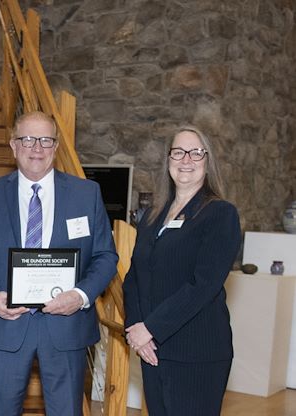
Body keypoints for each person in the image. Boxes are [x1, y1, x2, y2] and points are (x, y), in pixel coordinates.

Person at [0, 111, 118, 416]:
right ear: (13, 145)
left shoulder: (86, 194)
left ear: (56, 145)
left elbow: (105, 256)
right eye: (28, 139)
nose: (37, 148)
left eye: (46, 140)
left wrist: (81, 296)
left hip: (66, 327)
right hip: (5, 327)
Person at [122, 126, 240, 415]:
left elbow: (204, 285)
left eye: (195, 152)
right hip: (152, 350)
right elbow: (134, 278)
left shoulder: (220, 214)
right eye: (178, 152)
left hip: (197, 353)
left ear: (207, 160)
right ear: (168, 160)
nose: (186, 159)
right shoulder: (151, 216)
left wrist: (150, 328)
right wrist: (138, 332)